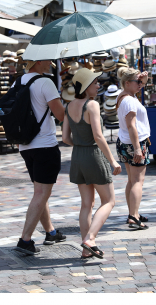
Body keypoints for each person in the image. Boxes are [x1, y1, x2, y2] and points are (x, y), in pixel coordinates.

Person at [62, 68, 121, 259]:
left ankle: (86, 249)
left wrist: (80, 145)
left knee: (86, 204)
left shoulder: (69, 105)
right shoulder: (92, 105)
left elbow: (65, 137)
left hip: (78, 156)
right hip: (94, 155)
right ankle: (91, 239)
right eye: (95, 82)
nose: (98, 85)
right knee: (109, 201)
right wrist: (112, 160)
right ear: (86, 86)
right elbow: (98, 136)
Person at [15, 60, 66, 255]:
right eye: (48, 61)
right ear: (39, 61)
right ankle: (25, 240)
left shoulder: (18, 82)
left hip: (25, 144)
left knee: (40, 191)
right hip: (44, 144)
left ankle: (50, 232)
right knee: (41, 193)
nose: (51, 64)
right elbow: (60, 115)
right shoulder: (46, 83)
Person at [116, 68, 151, 230]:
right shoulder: (129, 100)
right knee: (138, 181)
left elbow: (129, 126)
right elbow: (132, 126)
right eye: (137, 82)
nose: (141, 85)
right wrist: (138, 148)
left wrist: (143, 79)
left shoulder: (124, 96)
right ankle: (133, 216)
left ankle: (133, 212)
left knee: (132, 180)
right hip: (133, 143)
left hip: (125, 142)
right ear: (127, 83)